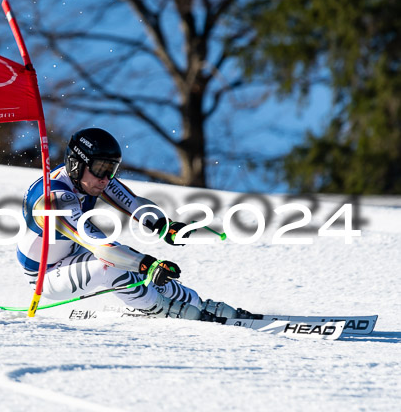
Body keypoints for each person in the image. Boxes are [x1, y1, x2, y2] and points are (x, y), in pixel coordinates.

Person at [16, 127, 255, 320]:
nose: (106, 178)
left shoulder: (89, 179)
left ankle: (197, 304)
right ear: (77, 164)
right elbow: (100, 247)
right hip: (45, 275)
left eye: (111, 169)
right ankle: (161, 309)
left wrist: (164, 225)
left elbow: (132, 203)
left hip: (73, 254)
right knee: (113, 263)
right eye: (100, 169)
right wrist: (147, 265)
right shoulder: (54, 198)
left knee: (135, 263)